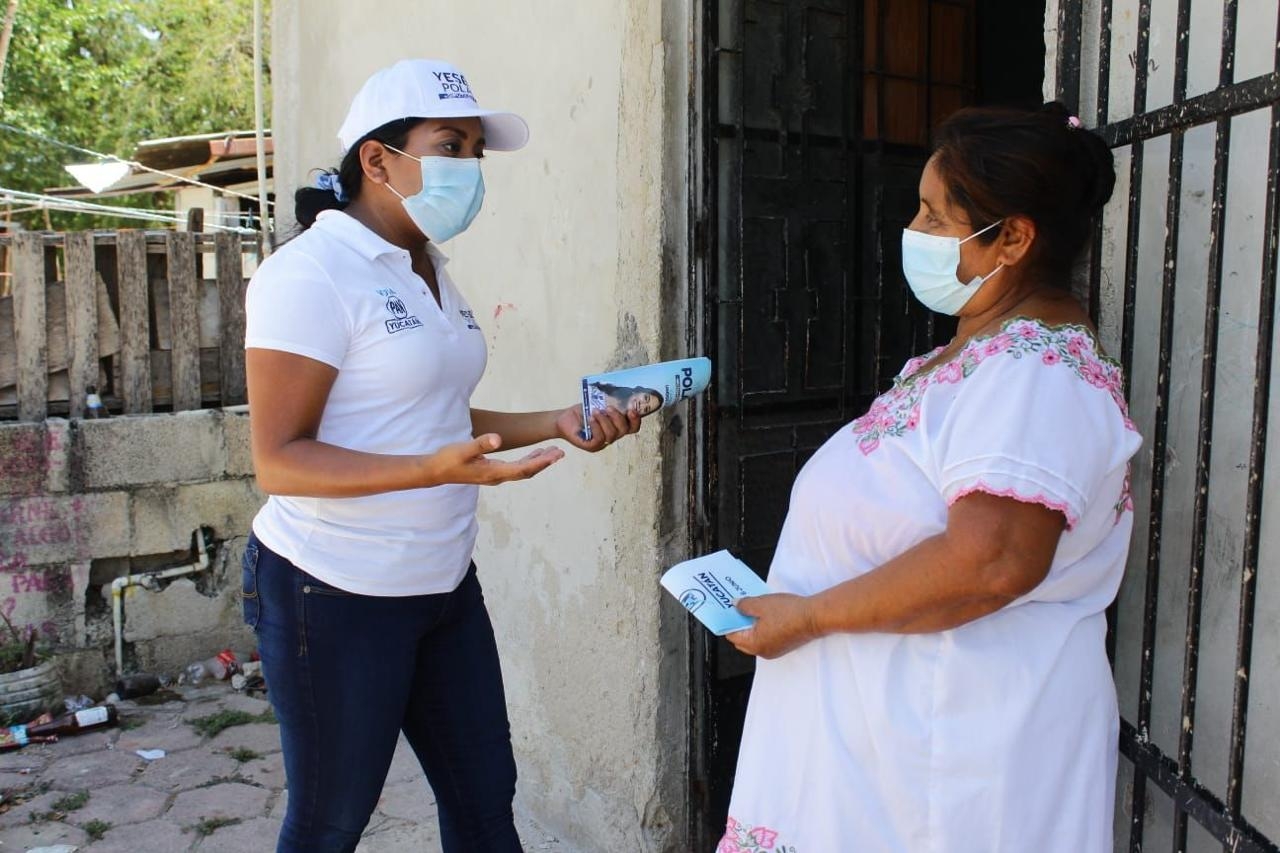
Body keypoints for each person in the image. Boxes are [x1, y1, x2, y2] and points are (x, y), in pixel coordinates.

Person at [717, 102, 1142, 853]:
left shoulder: (1034, 376)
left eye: (935, 216)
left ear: (1012, 237)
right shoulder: (982, 356)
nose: (913, 230)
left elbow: (991, 560)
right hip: (894, 756)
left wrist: (810, 617)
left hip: (947, 766)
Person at [241, 59, 640, 853]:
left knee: (486, 804)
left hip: (441, 584)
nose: (468, 170)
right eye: (449, 146)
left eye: (475, 154)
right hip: (334, 590)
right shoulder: (311, 275)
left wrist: (557, 420)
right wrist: (434, 470)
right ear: (377, 160)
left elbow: (432, 415)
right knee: (328, 823)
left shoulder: (431, 269)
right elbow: (280, 461)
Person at [588, 381, 664, 417]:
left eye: (646, 409)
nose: (642, 405)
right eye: (646, 398)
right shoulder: (605, 384)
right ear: (638, 391)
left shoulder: (611, 423)